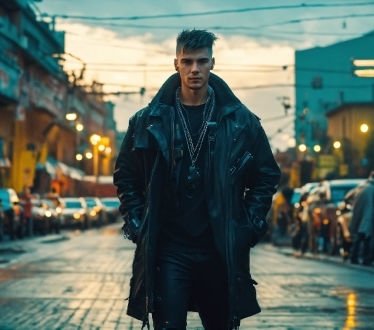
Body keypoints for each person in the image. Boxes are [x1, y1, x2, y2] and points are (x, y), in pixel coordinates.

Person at [114, 29, 280, 330]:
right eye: (187, 61)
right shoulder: (148, 120)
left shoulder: (241, 121)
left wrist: (250, 226)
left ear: (212, 63)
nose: (194, 69)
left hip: (220, 249)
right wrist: (137, 223)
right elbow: (126, 175)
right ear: (175, 63)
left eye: (201, 61)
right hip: (170, 248)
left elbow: (266, 174)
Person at [349, 172, 374, 265]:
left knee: (360, 237)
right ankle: (365, 258)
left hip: (361, 216)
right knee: (366, 237)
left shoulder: (362, 188)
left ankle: (354, 257)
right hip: (368, 216)